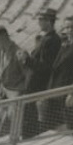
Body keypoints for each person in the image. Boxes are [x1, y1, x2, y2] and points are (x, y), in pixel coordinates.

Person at [24, 9, 62, 137]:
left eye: (41, 19)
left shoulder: (51, 40)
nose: (39, 22)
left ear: (49, 22)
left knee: (33, 123)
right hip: (36, 86)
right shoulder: (47, 38)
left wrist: (26, 59)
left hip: (38, 87)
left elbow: (45, 67)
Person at [0, 26, 31, 138]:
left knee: (13, 130)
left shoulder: (18, 52)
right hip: (5, 95)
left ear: (2, 39)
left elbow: (28, 75)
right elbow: (2, 75)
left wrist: (20, 94)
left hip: (16, 96)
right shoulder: (2, 52)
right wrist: (0, 95)